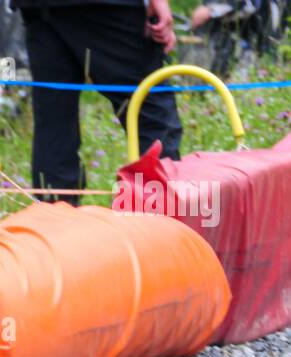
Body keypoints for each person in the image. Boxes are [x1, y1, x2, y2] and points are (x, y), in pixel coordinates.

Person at [12, 0, 182, 204]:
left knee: (54, 120)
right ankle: (163, 217)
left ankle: (54, 218)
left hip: (38, 8)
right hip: (108, 8)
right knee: (150, 111)